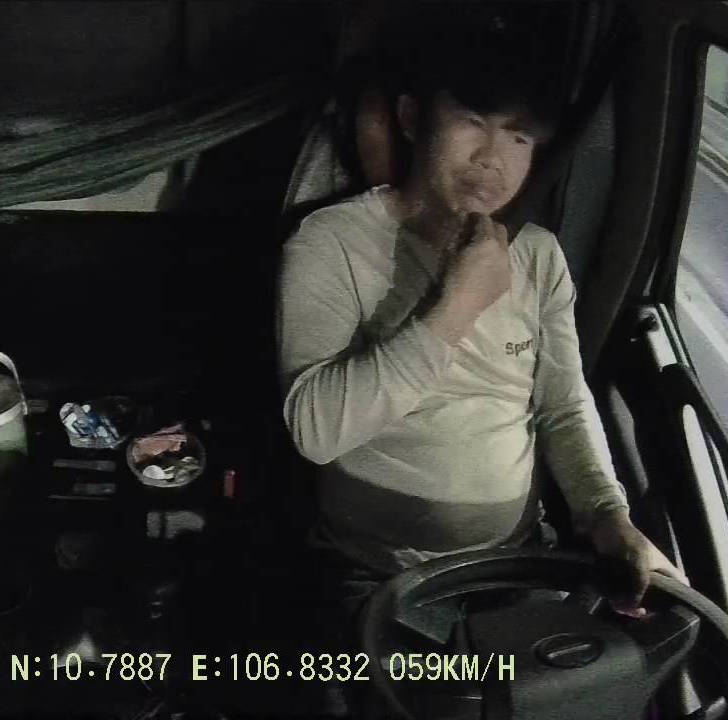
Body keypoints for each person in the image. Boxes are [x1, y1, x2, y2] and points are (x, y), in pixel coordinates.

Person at [276, 4, 687, 658]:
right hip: (371, 568)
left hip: (513, 561)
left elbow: (562, 403)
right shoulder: (332, 242)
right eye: (471, 123)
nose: (492, 159)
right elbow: (316, 430)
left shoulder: (539, 254)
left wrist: (608, 517)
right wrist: (458, 305)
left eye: (519, 138)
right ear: (412, 119)